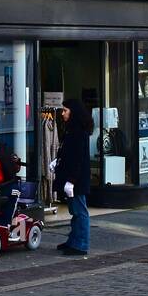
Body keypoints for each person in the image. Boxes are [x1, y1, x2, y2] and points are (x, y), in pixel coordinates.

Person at [55, 98, 92, 256]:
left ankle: (80, 244)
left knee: (79, 211)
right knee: (75, 211)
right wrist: (56, 161)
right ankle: (74, 240)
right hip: (73, 177)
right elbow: (68, 153)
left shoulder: (78, 132)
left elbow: (78, 158)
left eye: (65, 111)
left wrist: (71, 181)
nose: (62, 113)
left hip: (76, 179)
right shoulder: (72, 130)